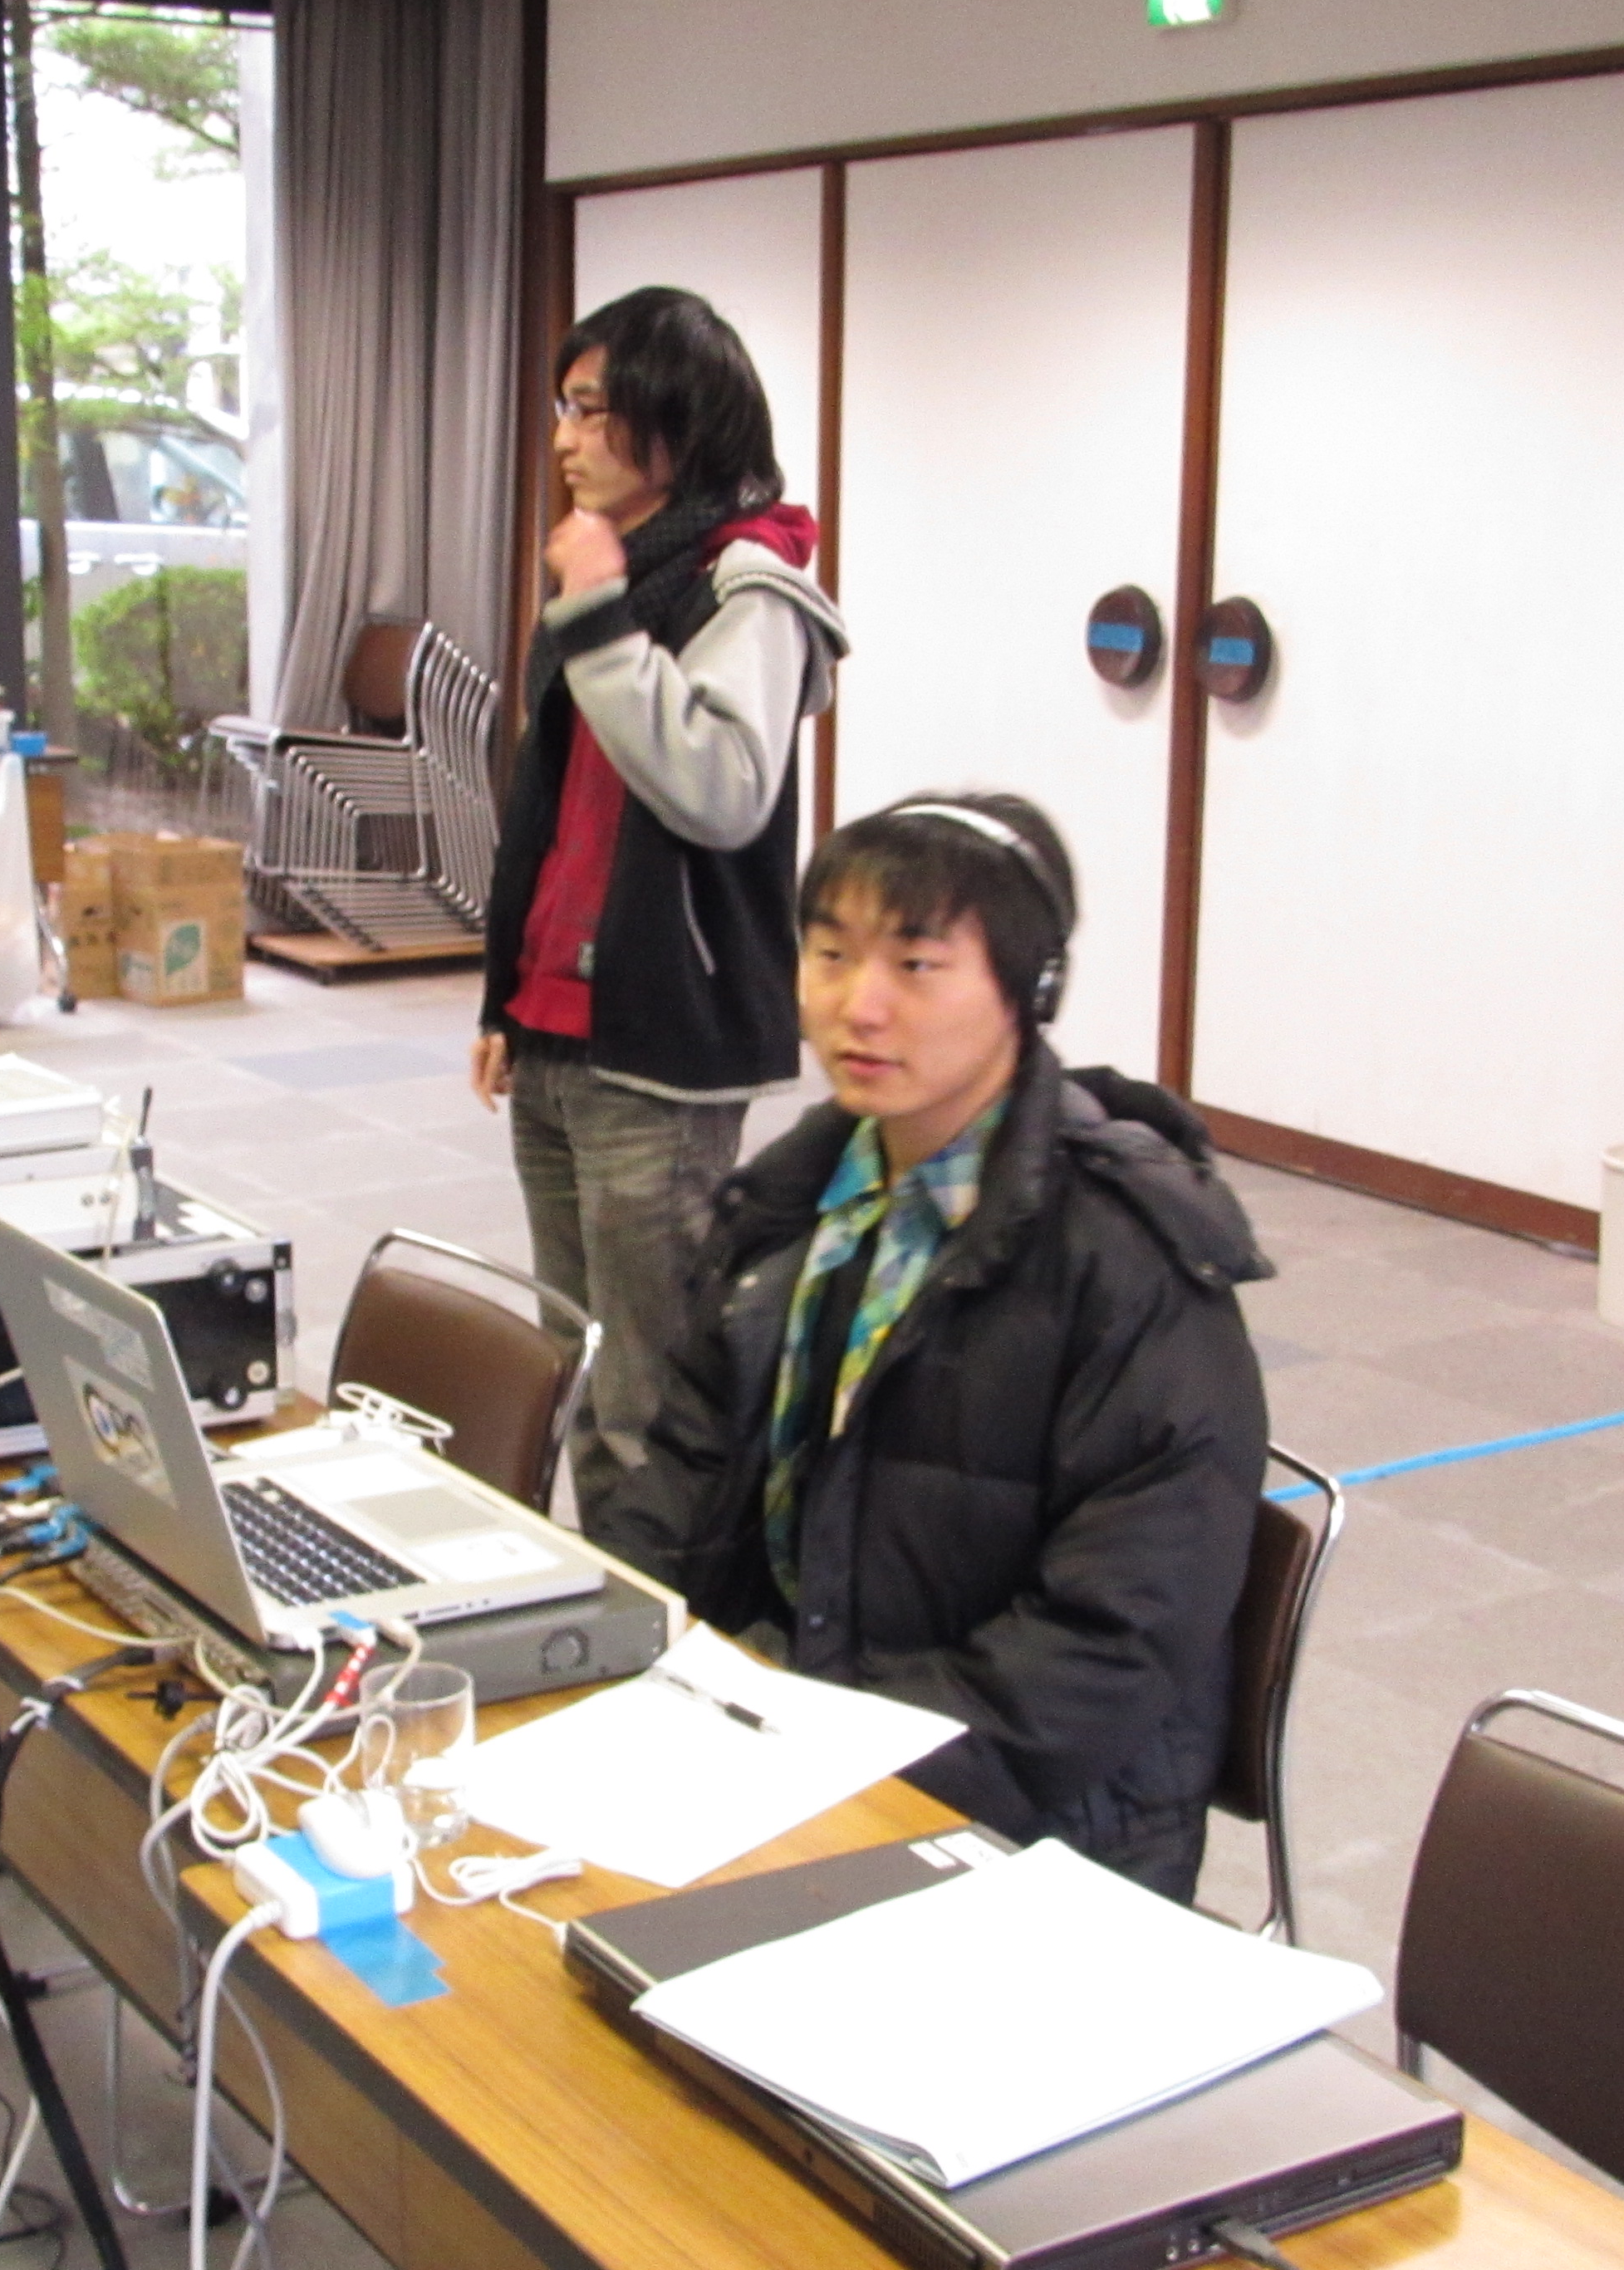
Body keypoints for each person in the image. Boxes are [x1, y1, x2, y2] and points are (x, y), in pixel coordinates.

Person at [599, 793, 1274, 1900]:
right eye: (830, 955)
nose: (857, 1007)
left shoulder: (1130, 1260)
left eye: (916, 966)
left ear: (1030, 991)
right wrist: (605, 1648)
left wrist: (836, 1773)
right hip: (791, 1739)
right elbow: (684, 1472)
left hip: (1030, 1826)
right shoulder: (795, 1199)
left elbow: (1111, 1642)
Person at [472, 287, 847, 1525]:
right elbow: (553, 813)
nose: (564, 440)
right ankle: (608, 1595)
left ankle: (668, 1616)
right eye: (562, 409)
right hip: (556, 1028)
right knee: (574, 1364)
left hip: (659, 1044)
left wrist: (595, 610)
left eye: (592, 410)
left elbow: (719, 788)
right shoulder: (612, 570)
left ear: (675, 422)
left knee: (649, 1398)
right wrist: (504, 999)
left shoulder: (750, 585)